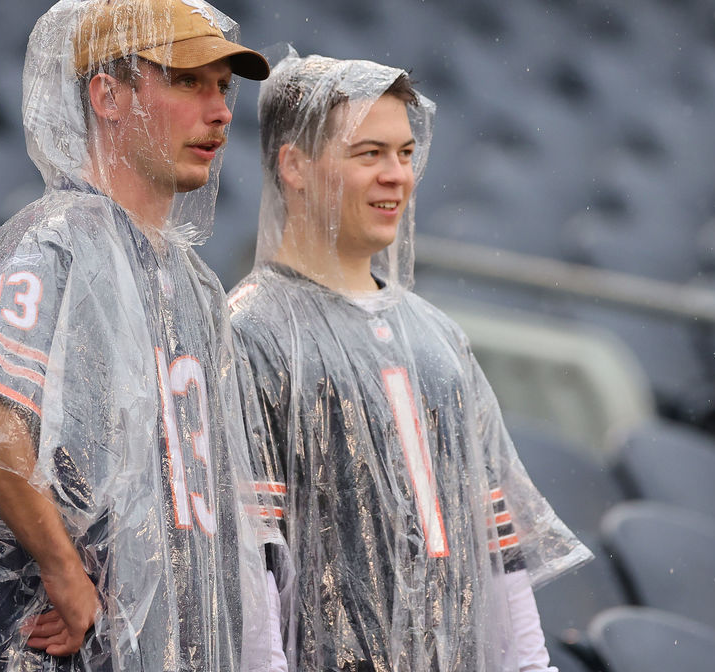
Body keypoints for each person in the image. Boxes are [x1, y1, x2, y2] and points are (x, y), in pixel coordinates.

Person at [0, 0, 285, 672]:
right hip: (41, 646)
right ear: (107, 97)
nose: (219, 112)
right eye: (185, 81)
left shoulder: (200, 289)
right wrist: (63, 568)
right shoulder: (60, 236)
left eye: (223, 87)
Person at [227, 51, 592, 672]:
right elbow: (248, 555)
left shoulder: (438, 338)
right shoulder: (250, 332)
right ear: (295, 165)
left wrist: (532, 666)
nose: (397, 174)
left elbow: (496, 541)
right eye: (369, 154)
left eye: (403, 152)